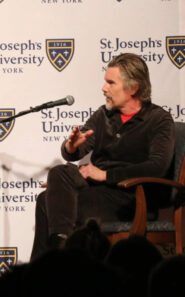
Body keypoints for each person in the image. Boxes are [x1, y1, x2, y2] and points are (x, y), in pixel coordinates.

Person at [31, 53, 175, 260]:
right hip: (98, 191)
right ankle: (54, 256)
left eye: (110, 82)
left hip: (131, 197)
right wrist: (71, 147)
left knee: (47, 201)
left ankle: (52, 263)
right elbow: (76, 150)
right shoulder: (104, 115)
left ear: (133, 87)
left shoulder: (158, 120)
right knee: (60, 173)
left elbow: (157, 167)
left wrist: (106, 175)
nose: (103, 88)